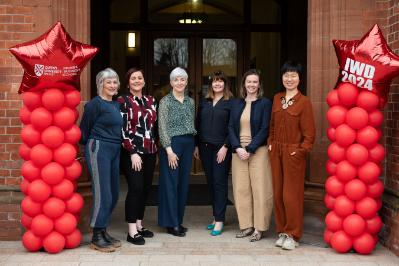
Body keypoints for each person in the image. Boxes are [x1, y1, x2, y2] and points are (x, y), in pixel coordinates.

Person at [268, 60, 316, 250]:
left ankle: (293, 235)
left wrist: (300, 150)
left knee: (291, 195)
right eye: (286, 75)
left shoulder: (304, 102)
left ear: (299, 78)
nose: (289, 79)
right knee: (278, 193)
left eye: (293, 75)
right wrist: (270, 144)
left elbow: (310, 134)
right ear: (282, 77)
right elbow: (271, 125)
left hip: (293, 153)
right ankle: (282, 231)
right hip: (276, 151)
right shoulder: (277, 98)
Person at [80, 68, 123, 252]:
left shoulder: (116, 105)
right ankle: (97, 236)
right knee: (102, 192)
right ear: (101, 84)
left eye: (115, 82)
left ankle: (103, 230)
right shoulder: (94, 104)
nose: (113, 85)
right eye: (109, 82)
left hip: (114, 148)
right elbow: (84, 131)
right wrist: (92, 145)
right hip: (99, 148)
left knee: (113, 193)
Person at [228, 69, 273, 242]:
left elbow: (265, 128)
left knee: (260, 189)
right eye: (249, 82)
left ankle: (259, 227)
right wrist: (238, 147)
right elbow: (230, 127)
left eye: (255, 82)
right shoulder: (236, 103)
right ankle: (246, 225)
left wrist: (250, 148)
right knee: (241, 189)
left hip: (258, 151)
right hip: (238, 151)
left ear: (259, 84)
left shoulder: (265, 103)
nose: (252, 85)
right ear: (244, 84)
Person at [117, 68, 158, 245]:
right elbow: (121, 129)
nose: (137, 80)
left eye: (139, 78)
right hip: (132, 152)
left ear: (144, 81)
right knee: (135, 188)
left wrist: (155, 149)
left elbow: (152, 128)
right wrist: (133, 152)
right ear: (128, 83)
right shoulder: (122, 101)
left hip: (150, 151)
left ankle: (140, 225)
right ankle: (131, 230)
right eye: (133, 78)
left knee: (146, 189)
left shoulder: (151, 100)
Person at [158, 67, 197, 237]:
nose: (179, 82)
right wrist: (169, 150)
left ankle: (178, 221)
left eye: (182, 79)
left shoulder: (190, 101)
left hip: (188, 143)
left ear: (186, 81)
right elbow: (162, 126)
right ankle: (171, 223)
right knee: (170, 184)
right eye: (176, 79)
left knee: (183, 184)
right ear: (171, 82)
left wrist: (194, 144)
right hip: (172, 145)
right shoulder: (165, 102)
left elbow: (191, 124)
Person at [194, 70, 233, 236]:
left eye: (220, 81)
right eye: (214, 82)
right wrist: (196, 145)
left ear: (225, 84)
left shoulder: (231, 102)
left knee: (219, 182)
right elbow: (198, 123)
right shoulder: (205, 101)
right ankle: (215, 216)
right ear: (211, 84)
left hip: (221, 149)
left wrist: (226, 146)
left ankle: (220, 220)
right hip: (204, 147)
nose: (217, 84)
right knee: (210, 182)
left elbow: (233, 127)